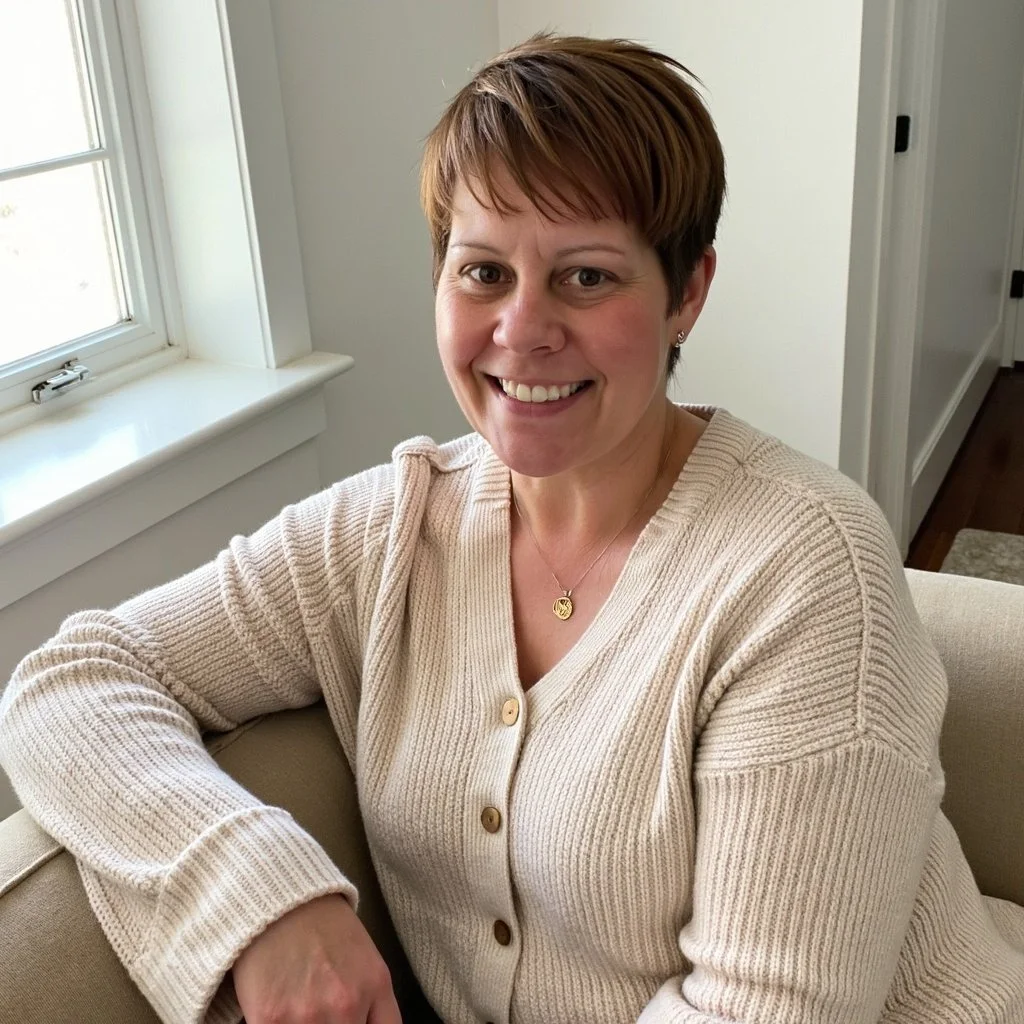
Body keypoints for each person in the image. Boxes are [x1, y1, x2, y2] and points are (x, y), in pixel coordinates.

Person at [1, 32, 1022, 1024]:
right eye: (482, 271)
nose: (521, 330)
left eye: (586, 274)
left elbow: (767, 1007)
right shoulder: (386, 530)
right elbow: (74, 679)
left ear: (687, 293)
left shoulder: (804, 568)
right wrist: (259, 894)